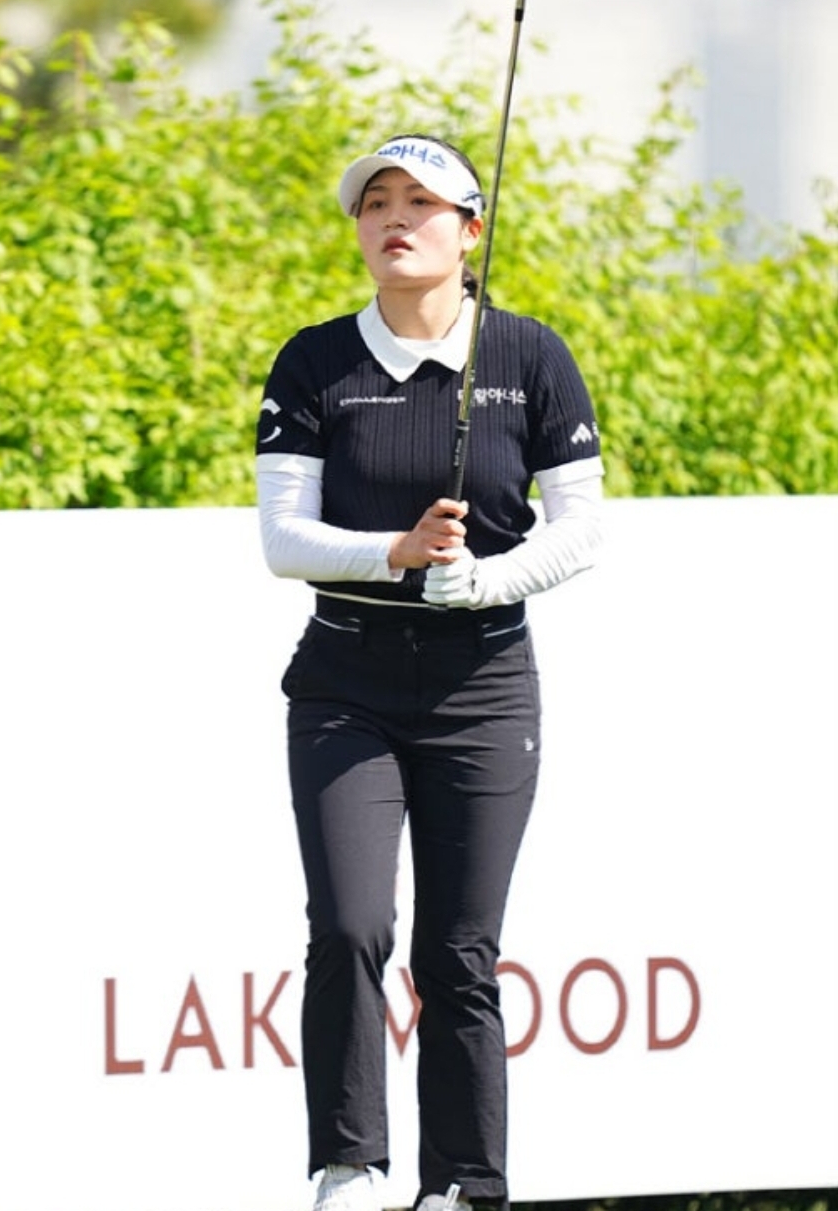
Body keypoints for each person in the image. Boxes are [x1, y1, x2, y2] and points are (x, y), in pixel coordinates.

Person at [254, 134, 604, 1211]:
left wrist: (486, 578)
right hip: (345, 683)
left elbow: (579, 526)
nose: (393, 219)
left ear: (469, 229)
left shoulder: (529, 355)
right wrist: (396, 555)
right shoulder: (315, 361)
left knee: (458, 950)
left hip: (481, 688)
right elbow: (283, 538)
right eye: (375, 203)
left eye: (420, 202)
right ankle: (350, 1165)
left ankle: (463, 1185)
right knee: (349, 925)